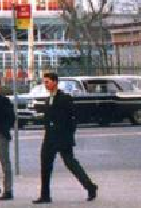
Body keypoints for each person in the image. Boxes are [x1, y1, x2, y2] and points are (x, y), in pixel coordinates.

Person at [34, 72, 97, 204]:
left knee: (71, 163)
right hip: (50, 137)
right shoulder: (49, 98)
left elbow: (71, 119)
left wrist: (68, 135)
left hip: (62, 137)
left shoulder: (64, 98)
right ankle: (45, 195)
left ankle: (90, 186)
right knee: (45, 165)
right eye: (44, 82)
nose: (45, 85)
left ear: (55, 82)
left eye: (47, 82)